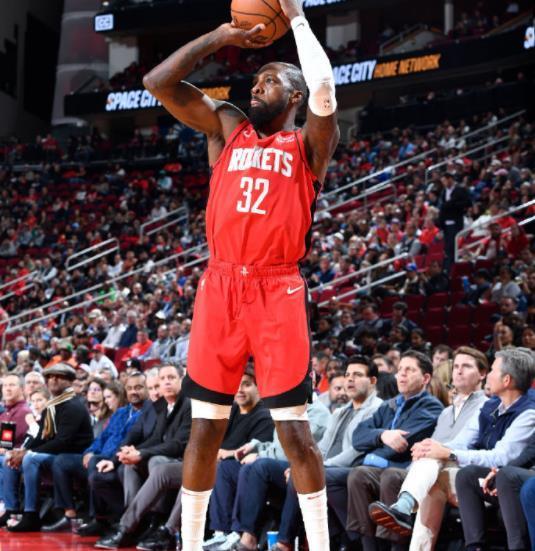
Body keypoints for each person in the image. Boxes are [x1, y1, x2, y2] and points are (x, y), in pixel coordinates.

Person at [143, 0, 339, 548]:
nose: (256, 87)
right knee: (204, 429)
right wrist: (222, 36)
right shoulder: (227, 126)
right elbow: (158, 82)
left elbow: (325, 85)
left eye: (269, 80)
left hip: (278, 287)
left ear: (295, 96)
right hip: (220, 285)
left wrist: (295, 16)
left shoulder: (309, 145)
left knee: (294, 432)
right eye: (254, 80)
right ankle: (191, 543)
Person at [368, 346, 490, 548]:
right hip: (438, 473)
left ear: (482, 374)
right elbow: (433, 449)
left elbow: (464, 443)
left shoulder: (487, 406)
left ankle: (404, 506)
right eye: (456, 366)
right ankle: (403, 509)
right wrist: (423, 453)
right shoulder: (446, 412)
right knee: (431, 479)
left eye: (466, 366)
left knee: (431, 461)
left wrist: (431, 448)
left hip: (467, 473)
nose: (459, 371)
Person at [342, 351, 444, 551]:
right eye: (400, 369)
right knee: (357, 475)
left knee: (388, 476)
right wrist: (382, 435)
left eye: (409, 370)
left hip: (405, 469)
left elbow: (399, 447)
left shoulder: (431, 407)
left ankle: (394, 546)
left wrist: (373, 450)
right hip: (379, 468)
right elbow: (358, 436)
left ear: (425, 378)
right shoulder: (389, 405)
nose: (402, 374)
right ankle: (367, 546)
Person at [41, 372, 148, 532]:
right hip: (99, 456)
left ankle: (98, 518)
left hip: (117, 459)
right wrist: (89, 451)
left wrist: (103, 458)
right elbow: (102, 437)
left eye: (138, 387)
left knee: (94, 462)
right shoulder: (121, 412)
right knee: (61, 461)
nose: (133, 391)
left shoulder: (148, 413)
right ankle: (69, 513)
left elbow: (131, 442)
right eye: (130, 388)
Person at [4, 364, 93, 532]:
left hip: (72, 456)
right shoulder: (52, 405)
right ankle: (11, 509)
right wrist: (21, 451)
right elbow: (40, 436)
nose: (53, 380)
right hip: (55, 454)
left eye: (59, 377)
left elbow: (63, 442)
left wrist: (28, 452)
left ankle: (31, 514)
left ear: (70, 381)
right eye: (50, 377)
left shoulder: (73, 405)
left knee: (31, 459)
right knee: (9, 458)